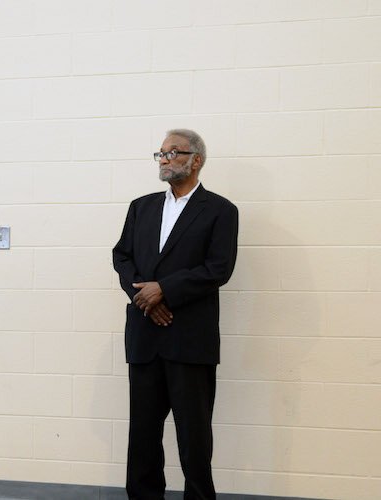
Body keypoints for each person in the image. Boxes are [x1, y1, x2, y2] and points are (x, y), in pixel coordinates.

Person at [112, 129, 238, 499]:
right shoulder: (142, 206)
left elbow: (219, 268)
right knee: (143, 435)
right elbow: (122, 256)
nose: (164, 159)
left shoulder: (220, 210)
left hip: (189, 340)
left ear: (195, 160)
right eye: (161, 154)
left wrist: (164, 289)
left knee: (194, 437)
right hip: (145, 335)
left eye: (173, 153)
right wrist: (145, 297)